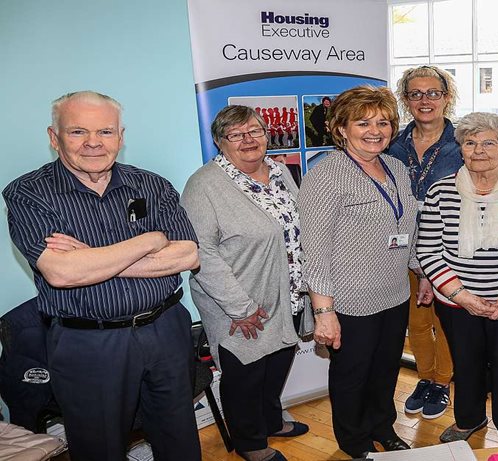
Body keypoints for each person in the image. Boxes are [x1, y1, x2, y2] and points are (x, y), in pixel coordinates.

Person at [2, 91, 201, 461]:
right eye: (78, 131)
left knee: (179, 440)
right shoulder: (29, 193)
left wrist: (92, 259)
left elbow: (189, 254)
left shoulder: (152, 185)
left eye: (105, 132)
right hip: (88, 343)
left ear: (120, 137)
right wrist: (151, 240)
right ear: (53, 136)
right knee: (99, 449)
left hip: (167, 330)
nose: (94, 143)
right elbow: (62, 272)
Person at [298, 85, 431, 458]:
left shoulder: (397, 168)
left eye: (384, 122)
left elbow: (408, 227)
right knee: (351, 376)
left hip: (393, 293)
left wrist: (420, 272)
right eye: (363, 122)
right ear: (341, 128)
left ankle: (381, 426)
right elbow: (316, 251)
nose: (376, 130)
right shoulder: (326, 176)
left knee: (386, 370)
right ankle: (354, 442)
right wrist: (324, 312)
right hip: (348, 302)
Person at [181, 105, 310, 461]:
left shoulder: (281, 171)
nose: (248, 140)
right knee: (245, 377)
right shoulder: (204, 185)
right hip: (237, 303)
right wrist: (240, 307)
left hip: (287, 295)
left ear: (267, 135)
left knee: (277, 364)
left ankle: (270, 420)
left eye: (254, 131)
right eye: (236, 135)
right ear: (220, 143)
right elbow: (201, 252)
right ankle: (251, 444)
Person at [417, 112, 498, 445]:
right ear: (460, 149)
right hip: (457, 303)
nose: (478, 150)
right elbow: (429, 251)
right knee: (466, 365)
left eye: (489, 142)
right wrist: (463, 297)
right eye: (470, 143)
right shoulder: (441, 192)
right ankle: (469, 420)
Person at [387, 65, 463, 419]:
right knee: (416, 322)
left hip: (449, 245)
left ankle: (443, 381)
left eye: (433, 93)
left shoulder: (463, 142)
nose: (425, 100)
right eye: (415, 94)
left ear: (447, 98)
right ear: (406, 100)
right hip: (401, 246)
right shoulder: (392, 144)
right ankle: (425, 377)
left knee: (443, 321)